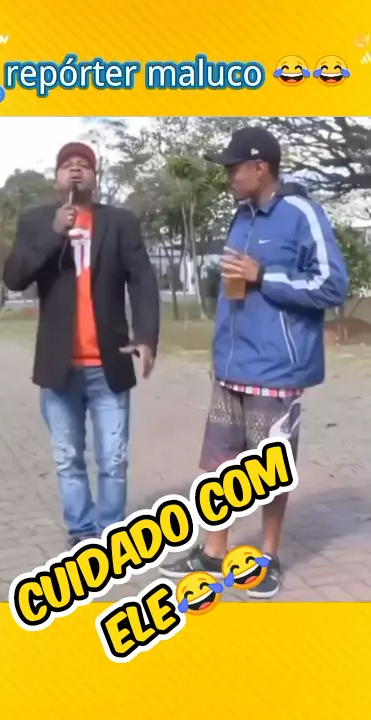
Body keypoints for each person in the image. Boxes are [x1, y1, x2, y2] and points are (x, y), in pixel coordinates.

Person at [159, 126, 348, 598]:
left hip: (276, 369)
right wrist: (218, 352)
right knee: (218, 464)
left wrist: (265, 275)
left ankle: (268, 557)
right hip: (232, 367)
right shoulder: (240, 216)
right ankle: (213, 552)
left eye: (234, 167)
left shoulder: (301, 213)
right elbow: (232, 292)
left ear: (260, 167)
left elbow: (332, 285)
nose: (229, 175)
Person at [3, 142, 160, 550]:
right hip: (58, 368)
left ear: (95, 176)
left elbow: (142, 280)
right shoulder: (37, 221)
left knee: (113, 459)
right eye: (67, 165)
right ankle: (82, 531)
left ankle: (111, 533)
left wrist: (146, 337)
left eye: (84, 165)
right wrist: (53, 234)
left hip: (109, 365)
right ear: (57, 177)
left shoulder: (120, 222)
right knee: (67, 457)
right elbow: (14, 277)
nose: (76, 170)